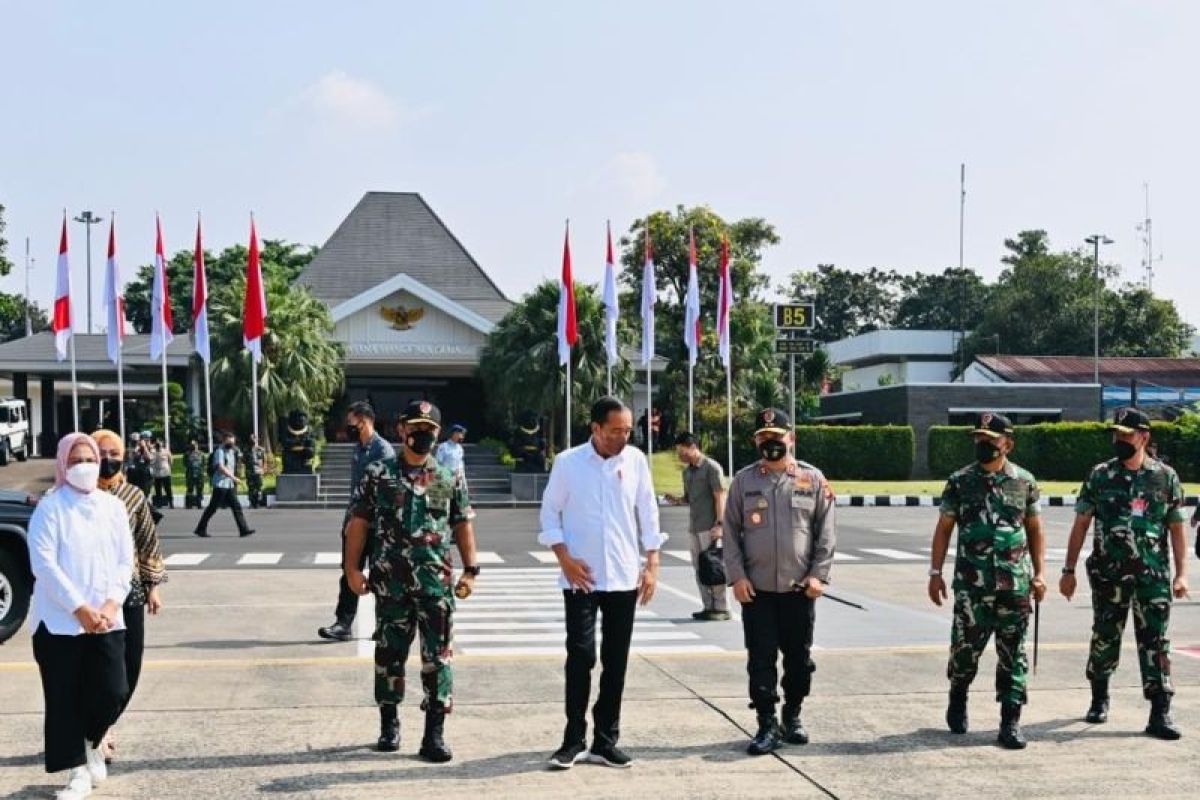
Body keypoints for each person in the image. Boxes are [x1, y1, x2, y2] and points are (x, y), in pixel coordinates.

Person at [343, 399, 479, 762]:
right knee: (389, 655)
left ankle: (434, 734)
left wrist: (471, 569)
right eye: (415, 428)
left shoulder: (447, 477)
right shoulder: (378, 473)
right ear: (401, 429)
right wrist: (352, 570)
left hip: (435, 585)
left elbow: (462, 523)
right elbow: (358, 523)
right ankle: (389, 724)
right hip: (390, 584)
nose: (422, 435)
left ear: (437, 433)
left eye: (429, 429)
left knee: (438, 658)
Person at [539, 396, 663, 770]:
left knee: (615, 661)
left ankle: (605, 741)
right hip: (582, 578)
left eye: (627, 430)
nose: (622, 437)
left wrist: (652, 562)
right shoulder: (568, 463)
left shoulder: (636, 461)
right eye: (615, 431)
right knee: (581, 657)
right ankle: (573, 739)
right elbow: (549, 512)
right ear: (595, 428)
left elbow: (648, 511)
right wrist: (564, 557)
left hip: (624, 575)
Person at [1059, 406, 1189, 740]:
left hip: (1152, 576)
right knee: (1105, 636)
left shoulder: (1165, 476)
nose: (1119, 439)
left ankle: (1160, 711)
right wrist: (1069, 569)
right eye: (1116, 434)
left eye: (1126, 434)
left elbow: (1176, 529)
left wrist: (1182, 574)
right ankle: (1099, 697)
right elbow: (1081, 523)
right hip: (1109, 574)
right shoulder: (1100, 475)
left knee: (1156, 641)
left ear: (1144, 436)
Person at [927, 412, 1045, 750]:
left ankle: (1010, 722)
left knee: (1013, 656)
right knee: (965, 653)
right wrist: (935, 574)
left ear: (1007, 443)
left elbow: (1035, 530)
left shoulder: (1024, 481)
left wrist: (1040, 575)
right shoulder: (960, 481)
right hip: (972, 586)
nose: (982, 445)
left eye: (989, 440)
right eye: (978, 439)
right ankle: (958, 696)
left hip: (1015, 586)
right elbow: (944, 529)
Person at [723, 407, 836, 756]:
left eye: (776, 436)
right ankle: (766, 724)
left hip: (798, 591)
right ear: (756, 440)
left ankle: (793, 713)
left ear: (791, 438)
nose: (770, 442)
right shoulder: (744, 481)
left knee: (799, 661)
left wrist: (818, 576)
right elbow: (729, 533)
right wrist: (737, 577)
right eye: (763, 437)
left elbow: (826, 534)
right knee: (760, 660)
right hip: (756, 592)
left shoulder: (812, 480)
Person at [28, 433, 134, 800]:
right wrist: (79, 609)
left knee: (112, 690)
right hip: (59, 622)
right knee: (65, 696)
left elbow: (125, 561)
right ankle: (76, 771)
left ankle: (93, 741)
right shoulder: (51, 507)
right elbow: (44, 564)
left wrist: (108, 606)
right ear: (62, 464)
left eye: (90, 459)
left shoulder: (113, 507)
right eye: (75, 460)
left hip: (107, 619)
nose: (85, 466)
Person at [93, 429, 167, 762]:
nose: (108, 459)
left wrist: (153, 587)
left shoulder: (133, 496)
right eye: (100, 452)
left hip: (131, 589)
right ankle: (100, 729)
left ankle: (107, 718)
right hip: (92, 592)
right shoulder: (79, 494)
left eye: (113, 452)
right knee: (97, 665)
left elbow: (147, 540)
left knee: (130, 664)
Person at [318, 401, 395, 642]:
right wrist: (349, 519)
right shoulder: (358, 448)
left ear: (364, 420)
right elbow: (356, 489)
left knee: (381, 575)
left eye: (351, 422)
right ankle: (343, 624)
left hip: (377, 523)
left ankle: (384, 625)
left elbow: (388, 491)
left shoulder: (383, 450)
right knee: (349, 571)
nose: (348, 427)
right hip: (355, 520)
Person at [665, 432, 729, 620]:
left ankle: (721, 607)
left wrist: (720, 524)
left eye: (681, 450)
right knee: (699, 567)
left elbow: (720, 497)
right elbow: (688, 498)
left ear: (693, 447)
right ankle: (707, 606)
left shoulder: (711, 468)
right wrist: (676, 500)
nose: (679, 455)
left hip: (710, 526)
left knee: (714, 566)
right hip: (694, 526)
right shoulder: (687, 472)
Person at [193, 431, 254, 538]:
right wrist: (234, 478)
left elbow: (234, 465)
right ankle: (200, 529)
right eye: (229, 442)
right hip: (220, 484)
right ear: (224, 440)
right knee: (212, 508)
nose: (232, 445)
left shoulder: (231, 451)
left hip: (228, 484)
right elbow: (220, 467)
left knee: (236, 507)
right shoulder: (219, 451)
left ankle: (243, 530)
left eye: (233, 442)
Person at [124, 433, 152, 498]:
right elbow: (125, 462)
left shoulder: (145, 448)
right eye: (133, 441)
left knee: (145, 492)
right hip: (132, 473)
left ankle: (146, 503)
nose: (135, 443)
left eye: (136, 441)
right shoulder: (128, 450)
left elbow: (149, 458)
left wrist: (144, 447)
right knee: (132, 492)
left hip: (143, 473)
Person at [244, 434, 267, 509]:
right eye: (251, 439)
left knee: (258, 487)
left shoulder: (261, 450)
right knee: (250, 487)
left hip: (258, 471)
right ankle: (251, 502)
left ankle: (257, 502)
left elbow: (265, 461)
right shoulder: (246, 450)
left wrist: (263, 469)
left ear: (257, 440)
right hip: (249, 471)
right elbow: (243, 461)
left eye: (254, 439)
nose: (253, 440)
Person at [149, 436, 173, 509]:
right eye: (157, 442)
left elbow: (170, 461)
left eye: (160, 442)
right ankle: (159, 503)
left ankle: (171, 503)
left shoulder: (166, 451)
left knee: (168, 489)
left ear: (162, 443)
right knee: (158, 489)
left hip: (165, 473)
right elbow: (150, 460)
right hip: (157, 474)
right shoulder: (153, 451)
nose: (159, 444)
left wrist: (168, 467)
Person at [183, 440, 206, 509]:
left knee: (199, 489)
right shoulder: (187, 454)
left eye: (195, 445)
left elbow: (204, 463)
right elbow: (185, 463)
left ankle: (199, 504)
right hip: (190, 474)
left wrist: (203, 472)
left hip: (199, 474)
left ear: (197, 445)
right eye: (192, 445)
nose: (193, 446)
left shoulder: (201, 454)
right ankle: (189, 504)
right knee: (190, 490)